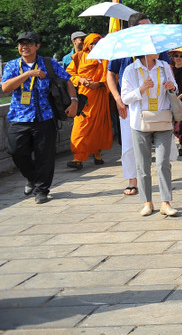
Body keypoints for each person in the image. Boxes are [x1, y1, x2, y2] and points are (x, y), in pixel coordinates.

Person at [2, 31, 79, 203]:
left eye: (29, 43)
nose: (25, 46)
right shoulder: (13, 65)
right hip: (20, 117)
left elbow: (67, 80)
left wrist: (73, 101)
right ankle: (32, 178)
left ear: (37, 46)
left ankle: (42, 190)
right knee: (15, 151)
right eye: (21, 43)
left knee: (45, 155)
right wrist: (28, 74)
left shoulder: (48, 63)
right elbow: (6, 87)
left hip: (45, 116)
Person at [106, 12, 169, 197]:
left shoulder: (157, 46)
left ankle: (159, 179)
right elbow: (110, 74)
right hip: (130, 105)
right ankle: (132, 180)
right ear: (132, 28)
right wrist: (118, 99)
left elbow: (166, 69)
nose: (148, 30)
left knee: (161, 147)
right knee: (129, 144)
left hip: (156, 105)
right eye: (144, 26)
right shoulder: (121, 48)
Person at [120, 51, 180, 217]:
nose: (158, 50)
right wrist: (141, 89)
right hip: (140, 122)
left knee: (163, 162)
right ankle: (147, 202)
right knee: (142, 164)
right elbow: (125, 98)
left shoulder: (164, 67)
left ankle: (166, 202)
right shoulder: (131, 70)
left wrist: (172, 87)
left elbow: (175, 86)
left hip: (163, 119)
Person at [65, 33, 112, 169]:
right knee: (80, 126)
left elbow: (111, 77)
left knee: (98, 125)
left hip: (99, 96)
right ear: (87, 44)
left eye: (98, 43)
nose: (95, 46)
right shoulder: (79, 57)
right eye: (92, 43)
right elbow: (68, 74)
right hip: (83, 98)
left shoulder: (106, 59)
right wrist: (81, 80)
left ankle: (97, 154)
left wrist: (99, 84)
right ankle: (78, 157)